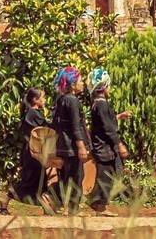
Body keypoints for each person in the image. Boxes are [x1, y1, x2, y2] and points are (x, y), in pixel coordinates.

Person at [0, 87, 54, 215]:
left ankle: (45, 207)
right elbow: (45, 127)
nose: (45, 100)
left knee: (39, 180)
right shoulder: (33, 114)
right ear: (35, 100)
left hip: (35, 151)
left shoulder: (33, 113)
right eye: (43, 97)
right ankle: (5, 199)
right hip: (33, 153)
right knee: (31, 181)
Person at [88, 67, 130, 217]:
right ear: (104, 86)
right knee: (105, 176)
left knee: (109, 175)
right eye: (109, 86)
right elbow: (107, 128)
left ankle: (99, 204)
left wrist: (119, 116)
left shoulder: (98, 104)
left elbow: (105, 122)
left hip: (103, 147)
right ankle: (98, 204)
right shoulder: (101, 104)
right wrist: (119, 144)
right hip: (104, 147)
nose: (110, 89)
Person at [51, 66, 91, 215]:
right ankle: (73, 209)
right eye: (80, 80)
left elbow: (56, 123)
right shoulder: (73, 101)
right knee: (76, 177)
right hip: (72, 147)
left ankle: (62, 205)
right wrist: (81, 146)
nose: (83, 83)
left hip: (62, 146)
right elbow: (76, 125)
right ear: (73, 84)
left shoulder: (61, 99)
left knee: (65, 177)